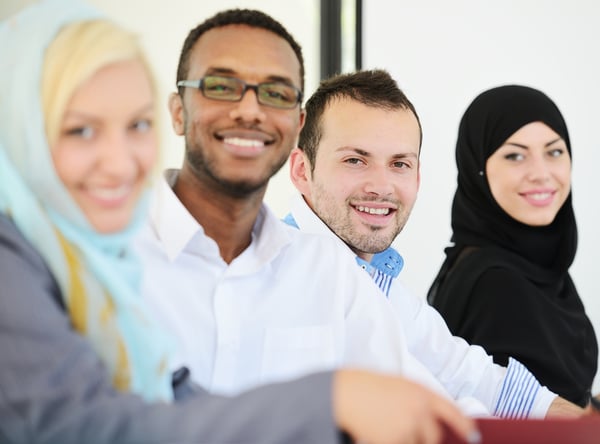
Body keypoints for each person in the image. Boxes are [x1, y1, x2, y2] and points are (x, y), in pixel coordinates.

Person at [0, 2, 483, 444]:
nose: (249, 109)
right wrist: (325, 400)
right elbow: (89, 425)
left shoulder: (330, 271)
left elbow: (428, 402)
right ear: (178, 112)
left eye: (135, 126)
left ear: (296, 125)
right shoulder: (57, 256)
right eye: (220, 86)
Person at [135, 8, 584, 422]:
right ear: (301, 169)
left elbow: (465, 383)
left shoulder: (340, 274)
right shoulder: (109, 255)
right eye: (355, 160)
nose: (381, 185)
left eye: (400, 163)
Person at [427, 85, 598, 408]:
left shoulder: (533, 265)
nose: (541, 173)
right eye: (515, 155)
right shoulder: (497, 283)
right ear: (477, 167)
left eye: (555, 151)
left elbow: (568, 405)